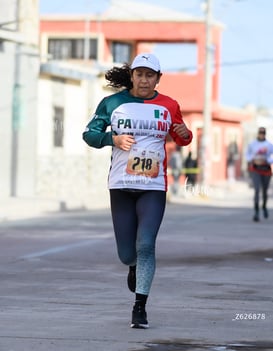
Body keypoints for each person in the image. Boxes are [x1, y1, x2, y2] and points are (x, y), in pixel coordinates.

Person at [82, 53, 192, 328]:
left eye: (150, 75)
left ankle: (140, 307)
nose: (144, 79)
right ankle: (132, 267)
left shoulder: (169, 105)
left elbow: (182, 137)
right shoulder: (113, 103)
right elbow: (89, 133)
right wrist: (112, 138)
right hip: (120, 185)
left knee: (146, 245)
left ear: (158, 78)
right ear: (132, 75)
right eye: (139, 74)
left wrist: (185, 132)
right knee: (126, 254)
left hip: (153, 187)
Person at [246, 127, 273, 222]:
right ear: (258, 134)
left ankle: (264, 206)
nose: (261, 135)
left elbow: (271, 157)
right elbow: (247, 155)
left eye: (263, 133)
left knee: (264, 191)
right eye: (260, 133)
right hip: (255, 169)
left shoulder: (269, 145)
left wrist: (267, 160)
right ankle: (256, 212)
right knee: (257, 190)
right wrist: (252, 159)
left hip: (266, 169)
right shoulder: (252, 144)